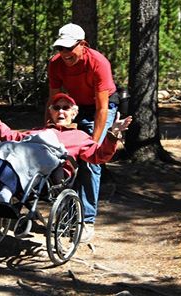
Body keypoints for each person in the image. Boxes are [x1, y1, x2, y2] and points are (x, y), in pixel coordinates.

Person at [0, 93, 132, 214]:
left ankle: (5, 194)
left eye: (66, 107)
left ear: (74, 113)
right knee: (7, 147)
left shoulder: (81, 136)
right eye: (56, 107)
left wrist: (112, 134)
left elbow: (99, 156)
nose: (61, 111)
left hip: (52, 174)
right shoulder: (38, 131)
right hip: (26, 163)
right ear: (51, 112)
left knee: (25, 150)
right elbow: (13, 136)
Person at [47, 23, 124, 241]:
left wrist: (93, 144)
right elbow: (53, 101)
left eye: (69, 48)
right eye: (60, 48)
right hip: (74, 107)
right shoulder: (55, 64)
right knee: (60, 155)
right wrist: (49, 130)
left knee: (91, 161)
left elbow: (101, 108)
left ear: (83, 45)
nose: (64, 53)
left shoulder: (98, 62)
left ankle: (86, 221)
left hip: (101, 106)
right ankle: (66, 211)